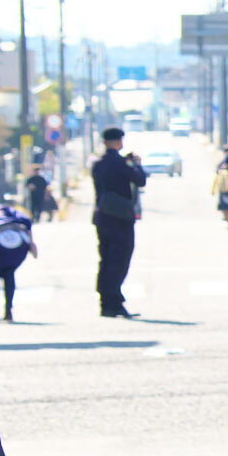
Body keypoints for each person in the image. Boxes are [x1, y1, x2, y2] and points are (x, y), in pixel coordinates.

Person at [90, 126, 146, 318]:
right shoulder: (120, 163)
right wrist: (136, 164)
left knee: (105, 258)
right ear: (119, 142)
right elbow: (140, 180)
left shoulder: (97, 163)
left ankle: (105, 301)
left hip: (102, 216)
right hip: (120, 218)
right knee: (120, 259)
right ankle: (114, 301)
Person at [0, 198, 33, 321]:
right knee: (9, 276)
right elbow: (27, 222)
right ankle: (8, 311)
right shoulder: (12, 212)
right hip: (16, 248)